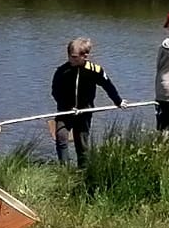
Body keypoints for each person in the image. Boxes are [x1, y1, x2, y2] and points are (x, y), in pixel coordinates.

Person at [49, 36, 123, 167]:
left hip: (85, 111)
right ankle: (64, 169)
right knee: (61, 137)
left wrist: (118, 101)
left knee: (81, 141)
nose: (71, 59)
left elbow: (108, 86)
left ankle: (83, 169)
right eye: (70, 56)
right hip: (65, 110)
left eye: (75, 57)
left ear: (85, 56)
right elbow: (55, 91)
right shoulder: (62, 71)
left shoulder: (95, 70)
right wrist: (66, 106)